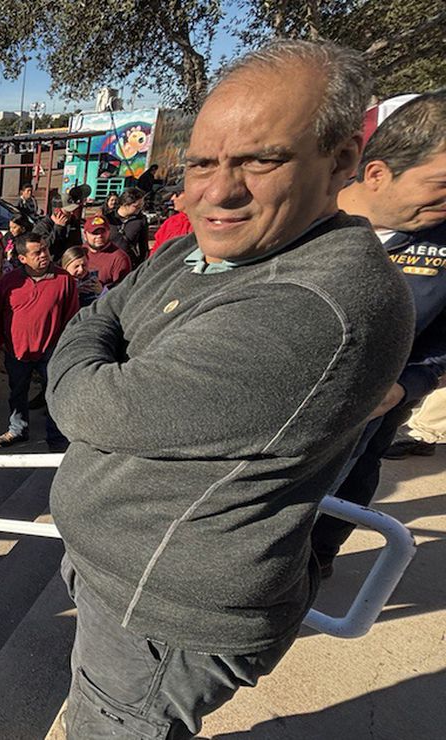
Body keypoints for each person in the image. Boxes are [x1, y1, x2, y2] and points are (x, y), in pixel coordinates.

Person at [46, 40, 414, 738]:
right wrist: (100, 341)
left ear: (341, 156)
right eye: (203, 163)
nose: (218, 191)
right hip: (116, 579)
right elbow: (103, 315)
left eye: (259, 159)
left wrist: (98, 351)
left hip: (160, 621)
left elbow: (82, 400)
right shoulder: (209, 245)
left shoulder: (315, 305)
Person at [309, 90, 446, 576]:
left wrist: (406, 386)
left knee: (349, 484)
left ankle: (318, 556)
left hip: (370, 416)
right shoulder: (294, 218)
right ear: (376, 172)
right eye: (442, 183)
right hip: (268, 417)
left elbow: (441, 343)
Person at [0, 233, 77, 451]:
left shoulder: (63, 279)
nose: (44, 255)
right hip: (16, 350)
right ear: (22, 258)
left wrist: (63, 346)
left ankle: (56, 438)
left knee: (53, 394)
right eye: (37, 252)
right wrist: (1, 341)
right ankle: (18, 429)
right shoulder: (9, 281)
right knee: (17, 391)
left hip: (51, 351)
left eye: (44, 249)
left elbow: (71, 316)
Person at [80, 214, 133, 290]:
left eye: (103, 231)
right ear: (85, 235)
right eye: (95, 233)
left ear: (109, 232)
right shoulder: (79, 252)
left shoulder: (119, 258)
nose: (99, 236)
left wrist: (103, 290)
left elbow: (123, 290)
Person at [105, 187, 151, 265]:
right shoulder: (108, 218)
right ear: (125, 204)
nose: (139, 210)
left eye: (141, 207)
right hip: (108, 261)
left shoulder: (141, 220)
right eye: (136, 206)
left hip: (129, 262)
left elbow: (143, 246)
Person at [150, 183, 192, 256]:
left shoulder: (206, 224)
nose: (172, 198)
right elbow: (155, 251)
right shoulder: (171, 222)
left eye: (177, 194)